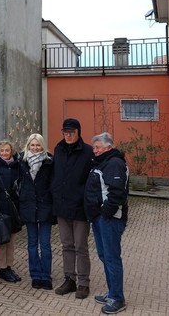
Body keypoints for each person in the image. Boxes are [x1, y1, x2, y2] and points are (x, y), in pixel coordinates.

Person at [86, 132, 129, 314]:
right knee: (105, 256)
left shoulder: (114, 164)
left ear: (108, 147)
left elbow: (117, 193)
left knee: (111, 257)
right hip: (100, 218)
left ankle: (118, 299)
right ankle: (112, 292)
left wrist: (105, 214)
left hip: (110, 219)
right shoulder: (103, 161)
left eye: (97, 147)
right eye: (94, 147)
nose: (94, 150)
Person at [52, 118, 94, 299]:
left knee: (81, 246)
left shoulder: (88, 152)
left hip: (80, 209)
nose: (68, 135)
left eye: (72, 132)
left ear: (78, 132)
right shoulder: (58, 149)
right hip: (62, 207)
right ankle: (69, 279)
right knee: (66, 245)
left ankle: (84, 283)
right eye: (66, 132)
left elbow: (91, 180)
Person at [18, 133, 55, 290]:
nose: (35, 148)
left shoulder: (50, 162)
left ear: (42, 145)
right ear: (28, 146)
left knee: (45, 244)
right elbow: (2, 165)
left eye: (38, 145)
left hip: (45, 206)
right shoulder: (21, 161)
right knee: (32, 244)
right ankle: (35, 275)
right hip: (28, 207)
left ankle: (46, 276)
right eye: (32, 145)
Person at [0, 139, 22, 283]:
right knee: (2, 240)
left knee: (11, 240)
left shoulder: (18, 166)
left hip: (14, 208)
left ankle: (9, 266)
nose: (4, 153)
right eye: (2, 151)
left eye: (7, 150)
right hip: (0, 208)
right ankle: (2, 268)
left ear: (12, 152)